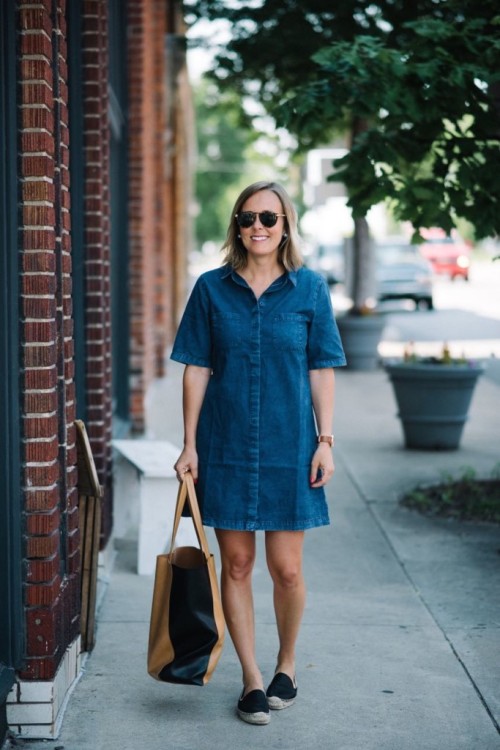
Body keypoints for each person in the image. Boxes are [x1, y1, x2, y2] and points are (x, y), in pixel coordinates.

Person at [171, 181, 346, 725]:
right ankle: (250, 679)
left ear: (286, 224)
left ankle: (286, 665)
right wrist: (189, 444)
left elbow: (321, 368)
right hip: (224, 445)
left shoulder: (309, 289)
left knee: (286, 569)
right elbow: (197, 367)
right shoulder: (210, 289)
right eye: (248, 218)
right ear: (237, 227)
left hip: (289, 446)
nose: (259, 227)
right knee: (239, 563)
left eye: (269, 218)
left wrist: (325, 441)